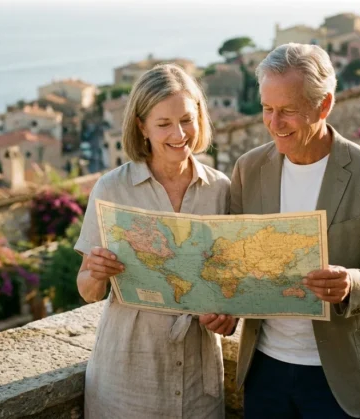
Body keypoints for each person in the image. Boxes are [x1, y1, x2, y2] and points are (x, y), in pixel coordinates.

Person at [205, 43, 360, 418]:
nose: (273, 123)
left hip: (343, 378)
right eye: (267, 109)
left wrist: (350, 283)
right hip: (264, 369)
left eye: (287, 111)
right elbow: (232, 262)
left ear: (324, 104)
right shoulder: (248, 169)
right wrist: (226, 309)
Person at [74, 63, 232, 419]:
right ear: (141, 126)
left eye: (187, 120)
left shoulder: (221, 190)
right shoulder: (111, 188)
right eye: (164, 124)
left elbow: (228, 283)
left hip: (199, 381)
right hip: (127, 379)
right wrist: (97, 271)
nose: (179, 133)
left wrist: (228, 317)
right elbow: (87, 291)